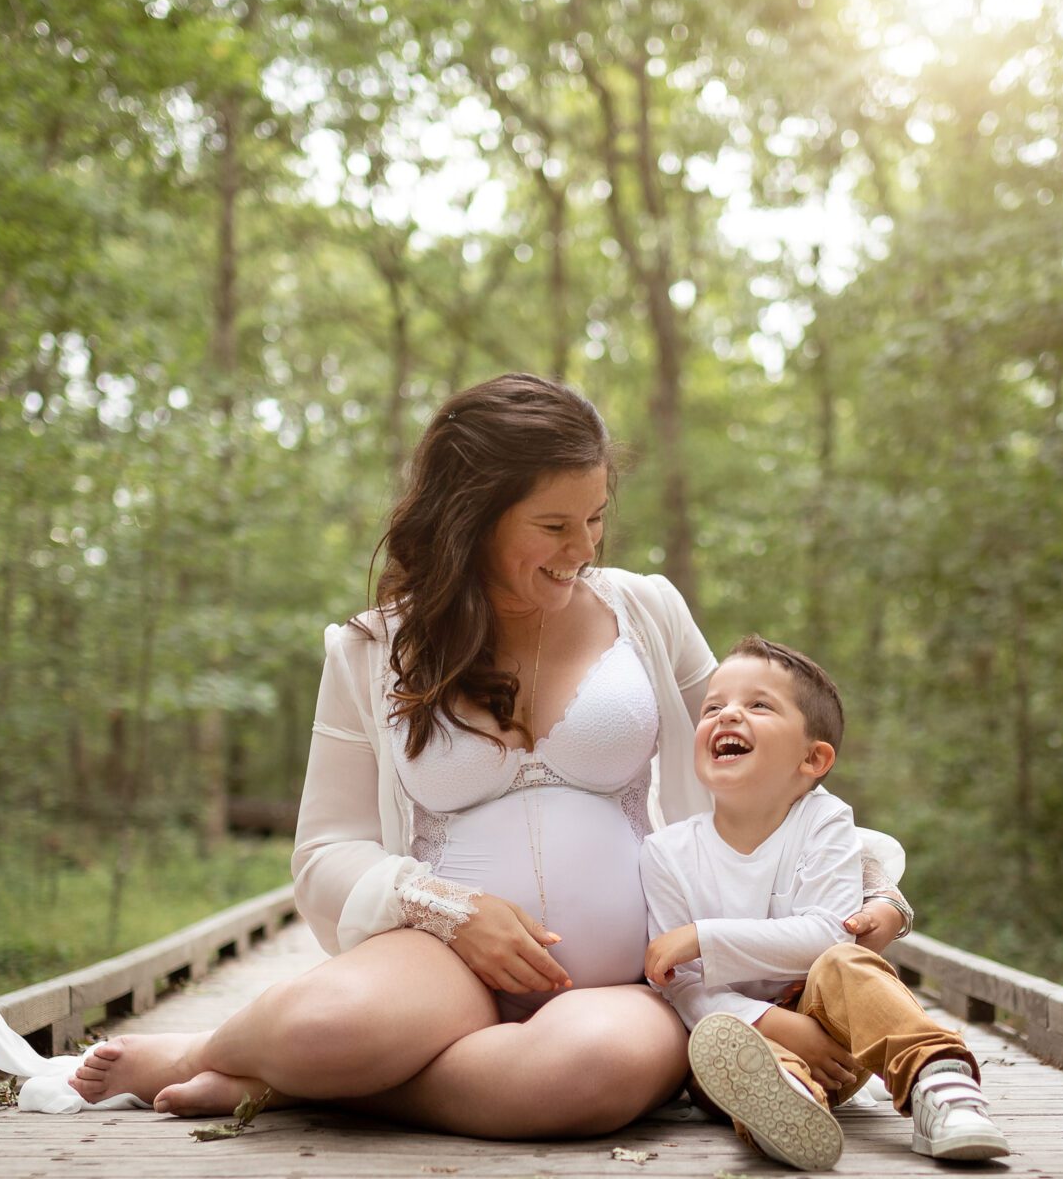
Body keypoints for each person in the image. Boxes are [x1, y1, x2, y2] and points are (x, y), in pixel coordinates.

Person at [69, 374, 909, 1137]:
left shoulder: (646, 612)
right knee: (325, 1026)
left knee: (586, 1077)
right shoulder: (369, 650)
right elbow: (324, 855)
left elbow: (767, 763)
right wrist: (447, 909)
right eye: (553, 525)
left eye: (596, 518)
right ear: (472, 515)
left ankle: (297, 1086)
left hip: (627, 976)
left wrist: (865, 878)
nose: (583, 547)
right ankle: (230, 1052)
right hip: (438, 960)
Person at [643, 636, 1008, 1173]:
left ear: (813, 758)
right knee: (717, 1052)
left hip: (838, 1038)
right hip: (740, 1034)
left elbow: (828, 937)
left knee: (845, 962)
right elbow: (680, 983)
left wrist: (703, 936)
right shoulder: (666, 852)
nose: (729, 715)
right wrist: (771, 1023)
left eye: (759, 705)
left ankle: (940, 1082)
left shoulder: (824, 821)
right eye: (713, 707)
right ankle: (789, 1103)